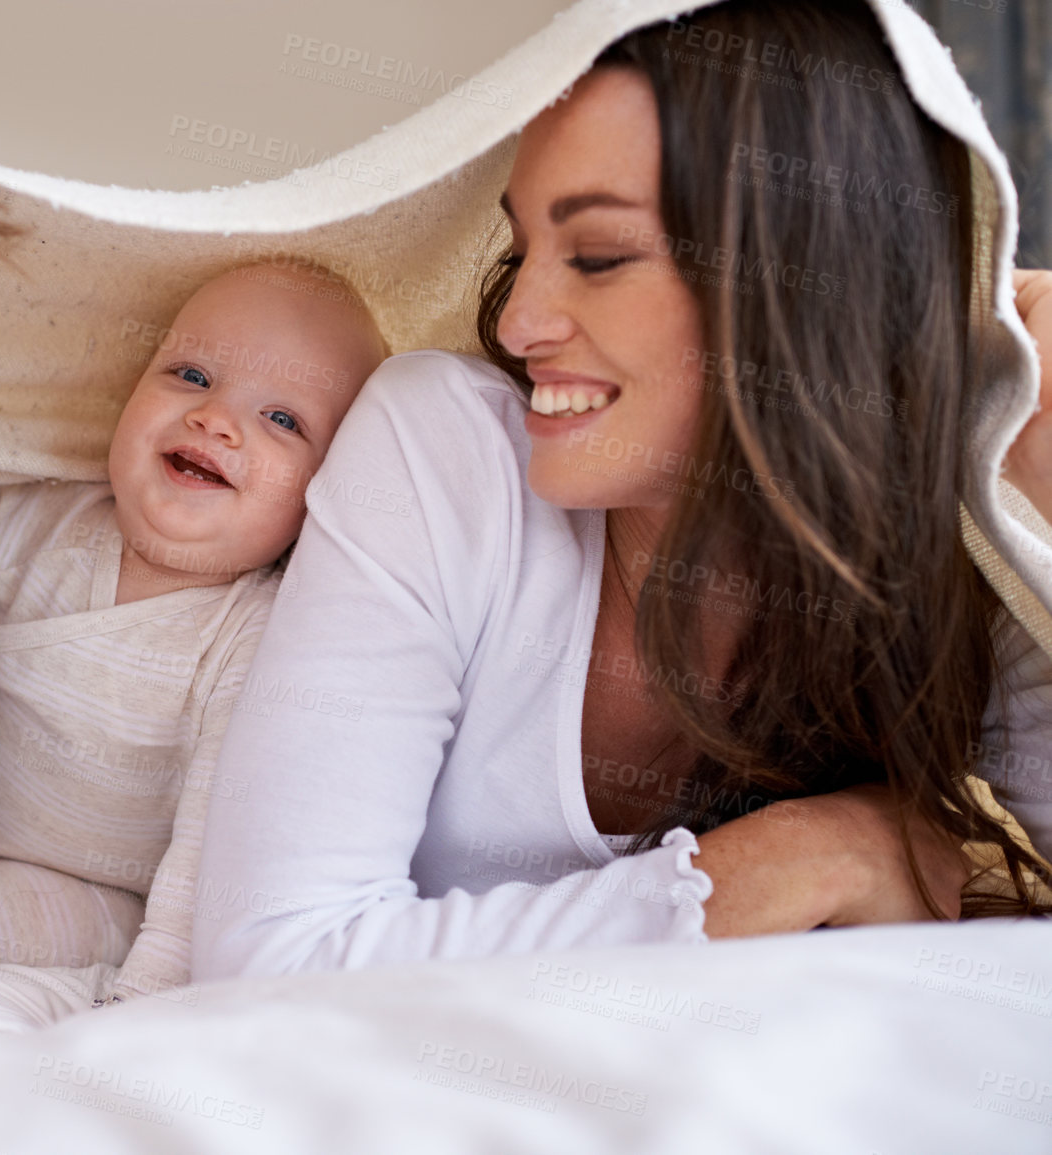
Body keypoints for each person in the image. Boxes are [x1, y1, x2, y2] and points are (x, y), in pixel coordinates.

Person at [193, 0, 1052, 983]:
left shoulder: (955, 552)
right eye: (521, 255)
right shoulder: (445, 452)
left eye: (597, 257)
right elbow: (269, 957)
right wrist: (795, 865)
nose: (516, 321)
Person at [0, 261, 386, 1033]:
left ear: (323, 492)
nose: (217, 420)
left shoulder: (254, 632)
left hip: (87, 902)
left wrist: (146, 1002)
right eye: (190, 374)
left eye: (283, 420)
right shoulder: (36, 520)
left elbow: (209, 839)